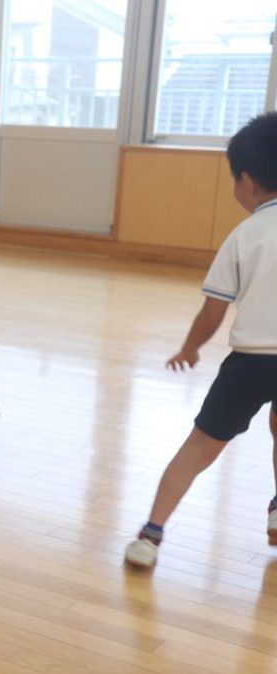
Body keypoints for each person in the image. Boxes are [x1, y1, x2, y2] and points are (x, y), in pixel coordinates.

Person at [125, 112, 277, 568]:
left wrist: (189, 348)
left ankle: (151, 535)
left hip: (251, 363)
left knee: (199, 446)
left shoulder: (244, 235)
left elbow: (213, 312)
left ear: (246, 180)